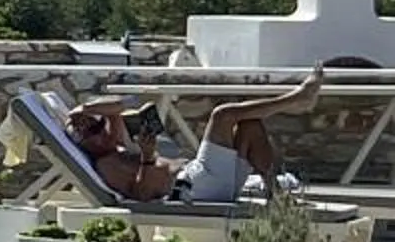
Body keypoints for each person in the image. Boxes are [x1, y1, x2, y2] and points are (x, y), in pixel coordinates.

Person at [65, 73, 324, 206]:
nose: (104, 130)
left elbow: (121, 106)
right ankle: (296, 100)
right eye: (95, 132)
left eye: (100, 124)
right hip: (192, 188)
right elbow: (142, 195)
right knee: (222, 115)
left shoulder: (115, 145)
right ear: (86, 143)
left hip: (206, 182)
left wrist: (85, 109)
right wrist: (147, 157)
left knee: (250, 126)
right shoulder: (106, 165)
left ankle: (275, 195)